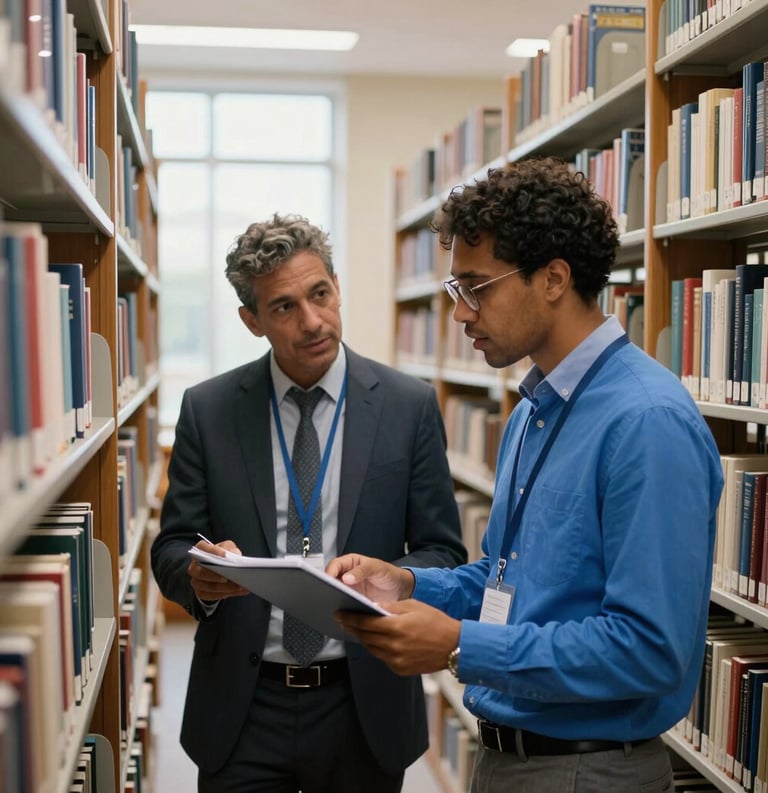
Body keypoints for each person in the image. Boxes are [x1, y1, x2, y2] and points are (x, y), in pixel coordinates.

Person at [330, 156, 724, 793]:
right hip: (511, 761)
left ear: (554, 279)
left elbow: (649, 648)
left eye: (476, 288)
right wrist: (407, 584)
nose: (460, 315)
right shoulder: (533, 409)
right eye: (455, 291)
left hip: (588, 769)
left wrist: (461, 646)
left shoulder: (645, 423)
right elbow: (508, 581)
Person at [151, 212, 467, 793]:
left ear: (337, 286)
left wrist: (393, 576)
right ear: (252, 321)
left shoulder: (408, 406)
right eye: (284, 308)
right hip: (244, 709)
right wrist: (198, 575)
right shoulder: (209, 410)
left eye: (320, 293)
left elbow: (444, 550)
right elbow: (171, 545)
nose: (313, 321)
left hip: (362, 700)